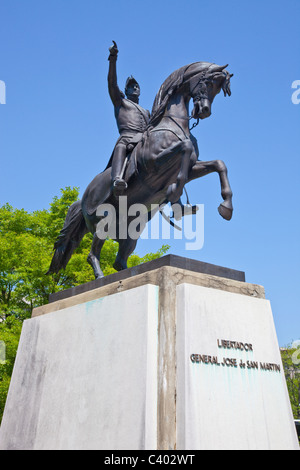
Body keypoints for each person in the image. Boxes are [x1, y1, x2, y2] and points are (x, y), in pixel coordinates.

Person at [107, 41, 150, 195]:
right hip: (128, 138)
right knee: (121, 145)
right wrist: (113, 58)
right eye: (131, 86)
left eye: (137, 86)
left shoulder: (146, 111)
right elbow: (112, 83)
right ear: (125, 90)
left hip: (144, 139)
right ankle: (116, 179)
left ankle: (176, 202)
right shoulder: (120, 102)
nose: (135, 88)